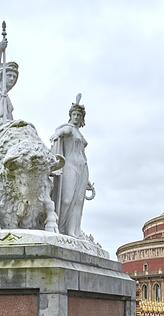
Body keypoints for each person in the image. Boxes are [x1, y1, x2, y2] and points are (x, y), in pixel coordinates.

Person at [51, 94, 94, 238]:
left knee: (78, 202)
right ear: (70, 115)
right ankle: (59, 227)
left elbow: (82, 153)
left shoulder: (80, 134)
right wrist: (57, 134)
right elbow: (60, 133)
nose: (76, 117)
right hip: (70, 165)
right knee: (67, 199)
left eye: (78, 115)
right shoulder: (68, 129)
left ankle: (73, 230)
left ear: (82, 118)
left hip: (82, 168)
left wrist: (87, 180)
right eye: (74, 114)